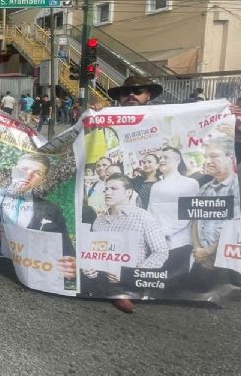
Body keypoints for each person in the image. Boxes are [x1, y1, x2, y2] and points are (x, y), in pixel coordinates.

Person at [92, 75, 165, 313]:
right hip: (123, 185)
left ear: (149, 95)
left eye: (138, 91)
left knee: (148, 236)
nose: (131, 95)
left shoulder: (163, 116)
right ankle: (119, 289)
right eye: (126, 93)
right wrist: (96, 115)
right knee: (118, 234)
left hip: (151, 185)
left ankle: (140, 280)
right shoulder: (109, 118)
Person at [82, 174, 169, 300]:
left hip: (129, 288)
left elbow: (160, 252)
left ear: (128, 192)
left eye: (114, 189)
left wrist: (131, 275)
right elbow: (92, 252)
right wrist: (88, 267)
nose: (107, 192)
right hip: (98, 286)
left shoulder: (143, 217)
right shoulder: (99, 221)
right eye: (106, 189)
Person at [146, 146, 200, 286]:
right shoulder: (156, 186)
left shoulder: (191, 183)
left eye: (166, 157)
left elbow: (188, 215)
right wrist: (153, 235)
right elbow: (150, 213)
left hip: (180, 242)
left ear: (177, 160)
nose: (162, 160)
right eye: (161, 158)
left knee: (177, 285)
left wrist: (163, 233)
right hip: (157, 243)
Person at [191, 136, 238, 273]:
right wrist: (198, 249)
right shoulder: (205, 188)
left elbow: (234, 227)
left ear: (230, 157)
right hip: (200, 259)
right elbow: (194, 220)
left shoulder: (235, 187)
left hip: (224, 260)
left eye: (214, 156)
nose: (208, 162)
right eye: (206, 157)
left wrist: (208, 251)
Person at [0, 154, 68, 234]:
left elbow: (61, 243)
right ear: (13, 170)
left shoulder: (53, 211)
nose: (28, 176)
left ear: (43, 180)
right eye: (24, 169)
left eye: (38, 173)